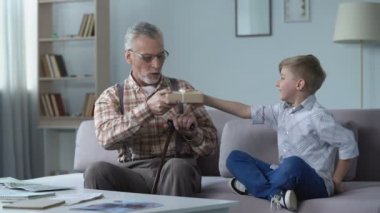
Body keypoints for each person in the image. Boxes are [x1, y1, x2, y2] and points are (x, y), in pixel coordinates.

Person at [202, 54, 359, 211]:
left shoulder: (318, 116)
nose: (277, 83)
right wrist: (206, 99)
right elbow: (244, 111)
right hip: (284, 175)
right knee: (234, 158)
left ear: (299, 84)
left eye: (282, 78)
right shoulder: (280, 111)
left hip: (316, 183)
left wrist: (337, 181)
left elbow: (348, 143)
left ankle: (253, 186)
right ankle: (275, 194)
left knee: (293, 163)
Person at [84, 22, 217, 197]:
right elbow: (106, 139)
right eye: (147, 58)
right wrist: (147, 109)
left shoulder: (183, 88)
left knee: (177, 167)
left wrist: (192, 132)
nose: (156, 65)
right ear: (128, 57)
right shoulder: (111, 96)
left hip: (176, 171)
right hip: (132, 174)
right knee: (96, 171)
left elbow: (210, 146)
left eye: (161, 56)